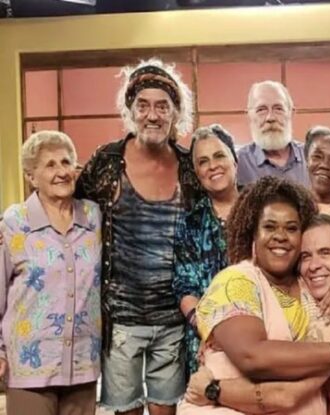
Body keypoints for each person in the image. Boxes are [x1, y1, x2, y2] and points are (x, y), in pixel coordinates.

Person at [176, 176, 330, 415]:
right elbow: (252, 356)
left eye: (291, 228)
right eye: (269, 227)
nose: (280, 235)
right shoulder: (237, 280)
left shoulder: (308, 277)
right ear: (253, 235)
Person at [74, 58, 202, 415]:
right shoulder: (108, 160)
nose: (152, 115)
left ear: (176, 113)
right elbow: (71, 210)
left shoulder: (189, 165)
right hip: (121, 318)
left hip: (174, 317)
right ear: (130, 110)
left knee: (166, 411)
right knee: (126, 410)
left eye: (163, 106)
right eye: (143, 105)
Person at [0, 131, 102, 415]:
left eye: (66, 162)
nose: (62, 172)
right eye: (50, 165)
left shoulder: (94, 217)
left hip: (83, 365)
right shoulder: (13, 223)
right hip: (29, 367)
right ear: (31, 177)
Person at [173, 124, 240, 378]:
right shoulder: (190, 222)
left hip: (262, 336)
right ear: (197, 173)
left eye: (219, 155)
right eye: (203, 161)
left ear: (235, 160)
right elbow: (185, 288)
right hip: (207, 342)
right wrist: (211, 332)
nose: (212, 166)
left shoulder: (262, 210)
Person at [236, 80, 310, 187]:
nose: (270, 118)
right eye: (261, 110)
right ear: (249, 115)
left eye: (278, 109)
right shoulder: (237, 164)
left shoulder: (311, 157)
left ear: (291, 113)